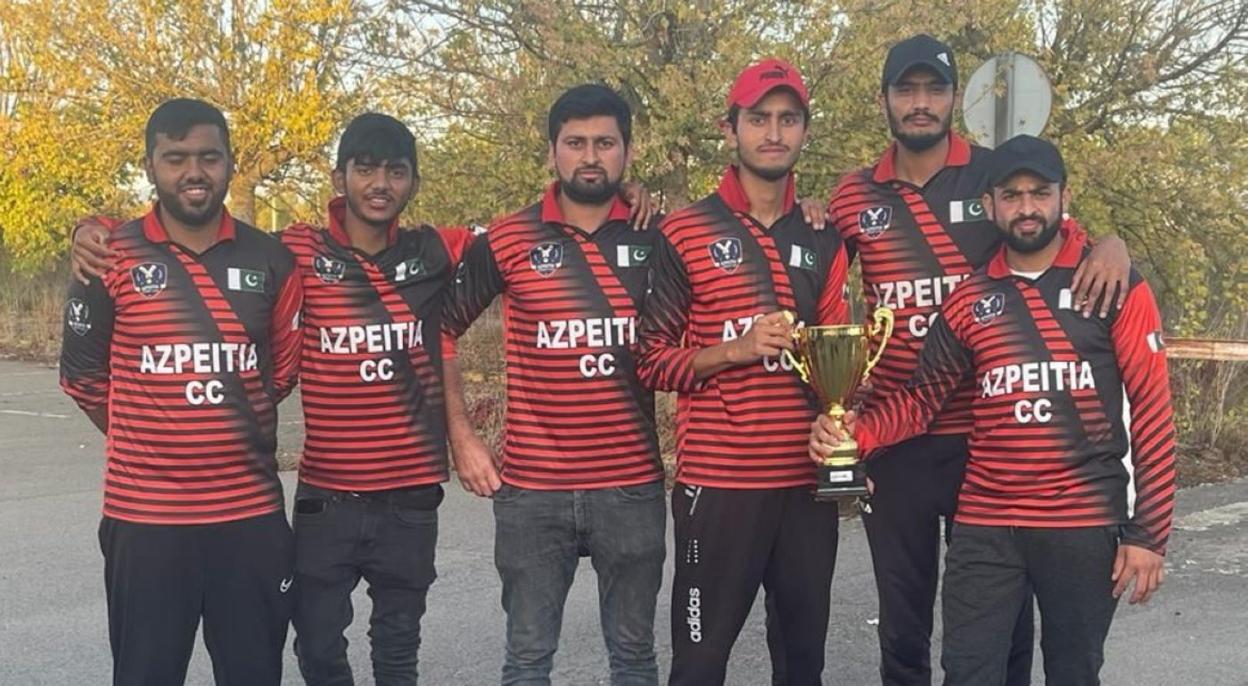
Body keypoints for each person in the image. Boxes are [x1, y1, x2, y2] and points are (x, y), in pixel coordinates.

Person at [812, 34, 1131, 685]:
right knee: (902, 621)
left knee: (1002, 620)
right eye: (907, 89)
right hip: (897, 436)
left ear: (956, 98)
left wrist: (1116, 244)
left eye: (934, 89)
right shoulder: (851, 196)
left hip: (989, 438)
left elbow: (1064, 238)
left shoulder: (996, 175)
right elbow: (812, 273)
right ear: (885, 100)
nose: (921, 103)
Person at [59, 98, 303, 685]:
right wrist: (155, 439)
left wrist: (217, 420)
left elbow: (280, 373)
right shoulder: (106, 256)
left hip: (250, 520)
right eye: (176, 158)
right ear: (150, 166)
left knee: (253, 674)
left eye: (208, 157)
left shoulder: (271, 258)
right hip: (144, 523)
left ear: (229, 163)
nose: (194, 172)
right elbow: (85, 380)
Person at [441, 83, 667, 685]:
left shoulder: (658, 236)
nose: (590, 156)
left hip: (631, 485)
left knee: (635, 660)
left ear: (628, 152)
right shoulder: (509, 239)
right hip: (532, 489)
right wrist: (462, 435)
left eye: (605, 143)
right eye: (575, 143)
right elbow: (438, 328)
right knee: (528, 660)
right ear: (551, 153)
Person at [636, 58, 850, 686]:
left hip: (806, 487)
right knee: (700, 665)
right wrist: (735, 348)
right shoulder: (686, 230)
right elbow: (650, 360)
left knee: (802, 662)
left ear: (804, 131)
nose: (774, 133)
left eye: (788, 119)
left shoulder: (824, 235)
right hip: (719, 484)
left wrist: (843, 416)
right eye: (759, 119)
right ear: (731, 129)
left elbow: (839, 359)